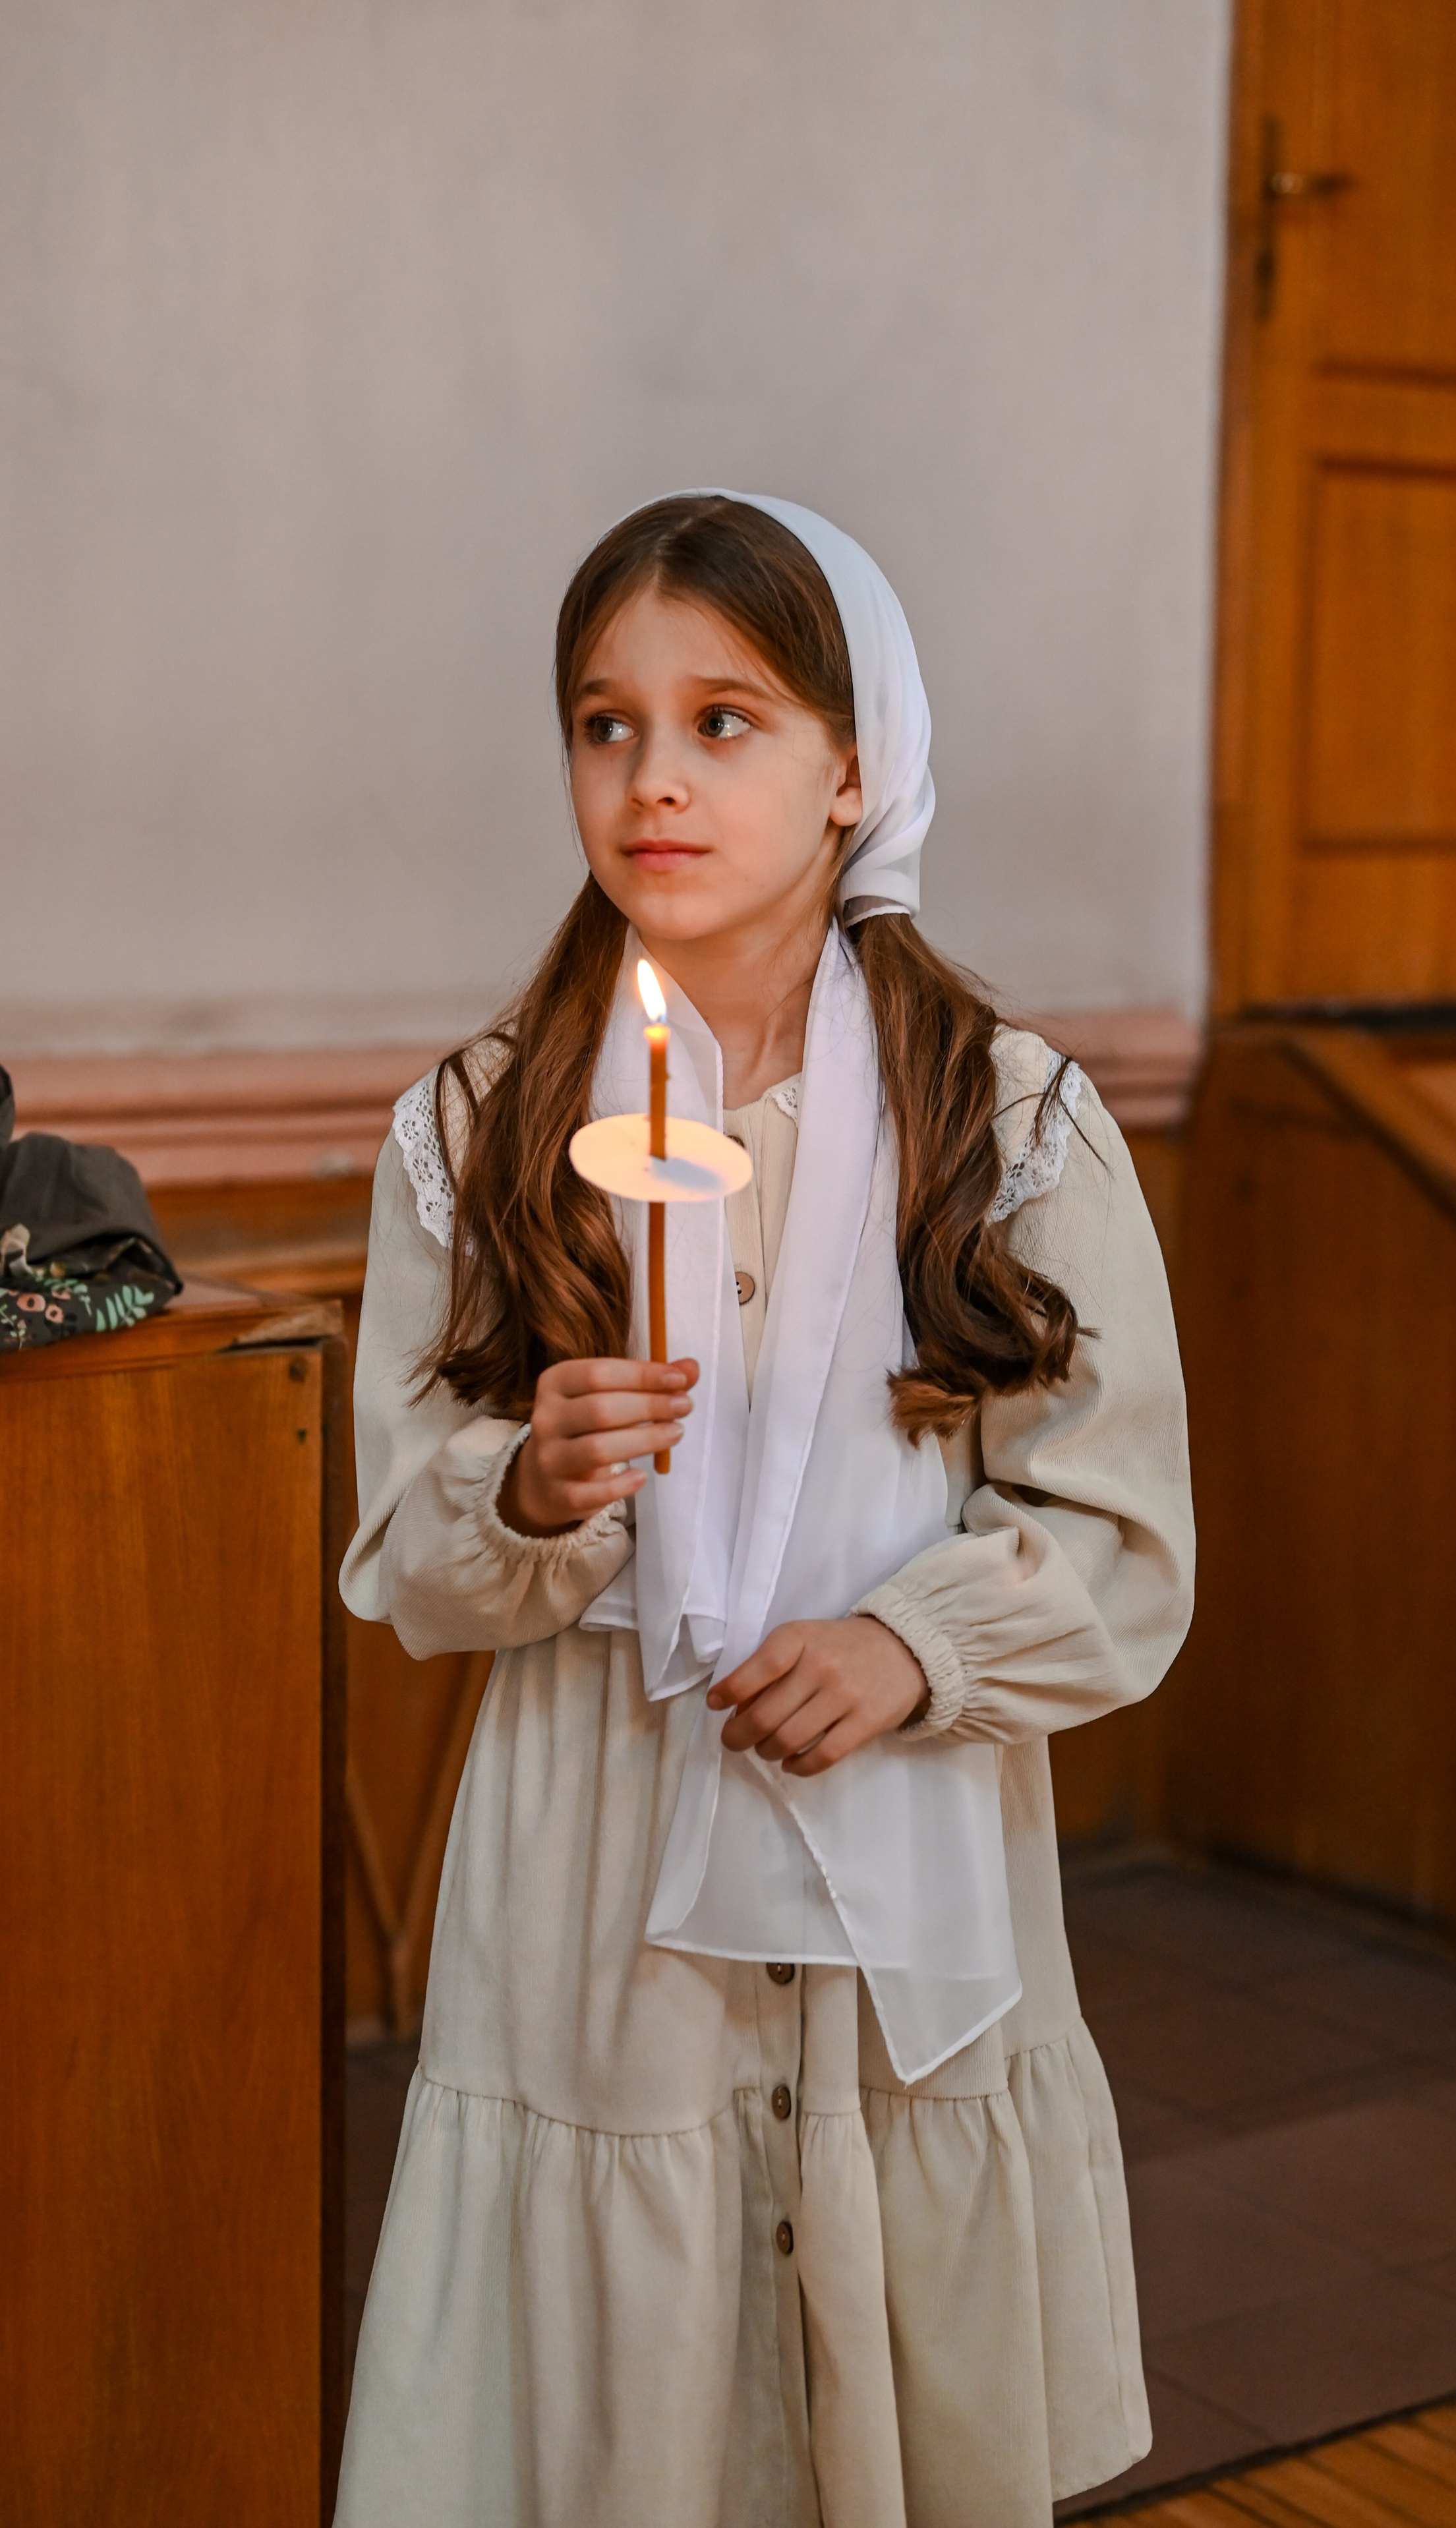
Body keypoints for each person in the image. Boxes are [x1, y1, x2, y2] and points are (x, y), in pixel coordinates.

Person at [335, 492, 1194, 2528]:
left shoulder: (1008, 1117)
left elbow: (1128, 1543)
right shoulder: (479, 1131)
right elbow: (408, 1559)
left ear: (854, 765)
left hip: (903, 1854)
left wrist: (919, 1644)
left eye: (727, 719)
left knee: (877, 2404)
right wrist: (530, 1484)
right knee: (620, 2405)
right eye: (605, 722)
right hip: (598, 1868)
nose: (653, 778)